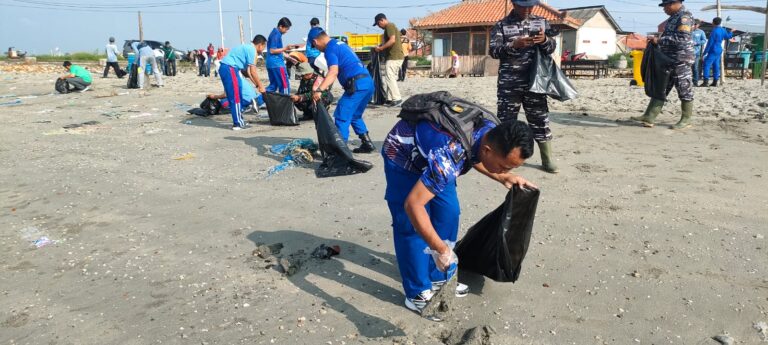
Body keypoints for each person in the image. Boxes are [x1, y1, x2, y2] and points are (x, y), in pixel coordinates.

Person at [381, 116, 537, 317]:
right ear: (488, 151)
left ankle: (437, 275)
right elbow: (413, 205)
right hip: (404, 156)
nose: (506, 171)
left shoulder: (490, 132)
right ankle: (417, 292)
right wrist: (440, 247)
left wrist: (503, 176)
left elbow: (474, 154)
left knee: (449, 213)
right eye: (505, 167)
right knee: (411, 226)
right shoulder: (449, 156)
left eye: (512, 168)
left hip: (438, 159)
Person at [490, 0, 559, 173]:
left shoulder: (541, 22)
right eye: (523, 6)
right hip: (509, 83)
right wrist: (513, 45)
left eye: (531, 6)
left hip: (535, 80)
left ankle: (547, 159)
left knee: (539, 118)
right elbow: (493, 51)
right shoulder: (502, 25)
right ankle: (503, 158)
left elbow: (552, 47)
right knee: (506, 120)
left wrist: (544, 40)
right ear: (514, 3)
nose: (527, 9)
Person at [308, 28, 376, 153]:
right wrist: (325, 86)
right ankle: (367, 143)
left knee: (341, 115)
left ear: (315, 41)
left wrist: (319, 90)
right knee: (355, 115)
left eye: (314, 46)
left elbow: (333, 72)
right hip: (368, 83)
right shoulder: (339, 44)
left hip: (357, 85)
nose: (316, 49)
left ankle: (341, 150)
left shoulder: (330, 49)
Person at [631, 0, 695, 130]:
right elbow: (672, 36)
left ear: (674, 3)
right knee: (662, 88)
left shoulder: (684, 17)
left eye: (666, 6)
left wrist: (659, 40)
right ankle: (649, 116)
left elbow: (682, 39)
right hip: (668, 59)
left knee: (684, 88)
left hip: (680, 59)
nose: (664, 9)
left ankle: (686, 119)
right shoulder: (673, 18)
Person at [219, 35, 268, 130]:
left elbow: (248, 72)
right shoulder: (252, 50)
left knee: (238, 95)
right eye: (264, 46)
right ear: (260, 45)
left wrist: (257, 84)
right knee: (235, 97)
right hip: (230, 68)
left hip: (232, 69)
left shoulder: (248, 48)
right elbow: (253, 71)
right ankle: (238, 124)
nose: (264, 48)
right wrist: (261, 86)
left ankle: (239, 120)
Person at [373, 13, 405, 107]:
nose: (379, 26)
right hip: (396, 56)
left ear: (382, 20)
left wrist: (381, 48)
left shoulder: (389, 26)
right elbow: (392, 39)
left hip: (394, 57)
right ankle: (390, 98)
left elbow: (392, 40)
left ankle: (397, 98)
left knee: (389, 76)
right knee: (390, 77)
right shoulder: (391, 27)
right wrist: (381, 46)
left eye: (378, 24)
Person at [267, 17, 299, 94]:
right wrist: (285, 48)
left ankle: (257, 101)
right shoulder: (276, 34)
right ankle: (285, 104)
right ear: (281, 26)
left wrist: (289, 57)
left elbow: (278, 50)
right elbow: (272, 50)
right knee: (285, 86)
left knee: (273, 86)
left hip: (271, 63)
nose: (286, 31)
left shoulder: (275, 33)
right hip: (277, 64)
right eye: (286, 29)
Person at [701, 17, 733, 87]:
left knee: (706, 64)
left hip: (713, 49)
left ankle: (706, 81)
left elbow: (710, 43)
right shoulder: (722, 29)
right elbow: (728, 37)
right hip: (719, 49)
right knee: (716, 65)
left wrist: (704, 52)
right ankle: (715, 82)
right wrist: (731, 32)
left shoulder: (714, 31)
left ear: (713, 22)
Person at [691, 20, 707, 86]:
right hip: (687, 52)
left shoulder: (701, 32)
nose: (694, 25)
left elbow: (704, 40)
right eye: (693, 24)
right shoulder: (688, 31)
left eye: (695, 24)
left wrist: (697, 43)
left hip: (696, 52)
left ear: (698, 25)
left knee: (695, 67)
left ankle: (695, 82)